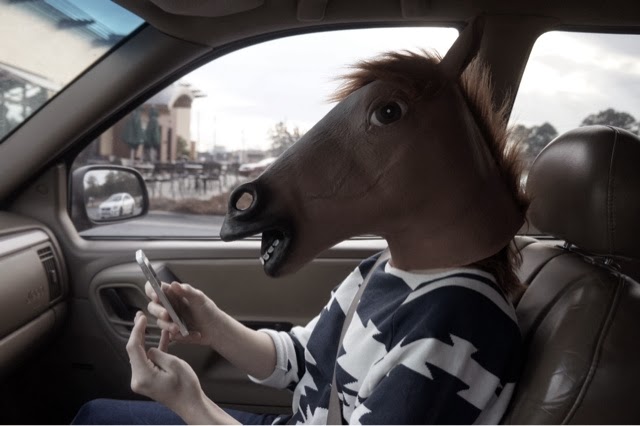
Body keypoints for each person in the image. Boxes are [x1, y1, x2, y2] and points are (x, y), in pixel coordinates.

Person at [73, 251, 521, 425]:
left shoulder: (458, 318)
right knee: (96, 414)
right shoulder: (384, 266)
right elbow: (306, 358)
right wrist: (212, 323)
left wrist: (189, 402)